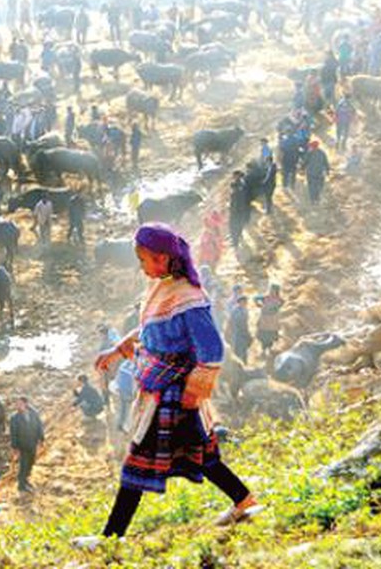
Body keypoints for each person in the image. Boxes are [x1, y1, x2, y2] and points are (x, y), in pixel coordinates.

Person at [87, 224, 260, 545]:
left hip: (172, 395)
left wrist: (194, 393)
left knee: (135, 466)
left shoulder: (188, 298)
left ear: (163, 258)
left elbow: (212, 350)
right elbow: (149, 329)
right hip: (166, 391)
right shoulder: (164, 286)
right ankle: (244, 501)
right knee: (204, 457)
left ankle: (110, 538)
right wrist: (117, 350)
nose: (140, 267)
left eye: (143, 260)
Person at [9, 396, 44, 493]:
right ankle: (21, 485)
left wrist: (41, 439)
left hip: (32, 442)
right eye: (16, 404)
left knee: (31, 462)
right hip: (22, 445)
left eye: (20, 404)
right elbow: (13, 433)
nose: (18, 406)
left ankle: (26, 479)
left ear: (26, 404)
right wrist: (14, 447)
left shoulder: (33, 414)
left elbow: (39, 426)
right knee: (23, 464)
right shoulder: (14, 418)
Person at [254, 284, 284, 356]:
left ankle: (269, 349)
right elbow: (255, 298)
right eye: (271, 290)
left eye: (273, 290)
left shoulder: (278, 299)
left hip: (272, 322)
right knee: (263, 336)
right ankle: (263, 350)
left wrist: (276, 308)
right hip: (264, 321)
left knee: (271, 336)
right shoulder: (265, 297)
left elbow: (281, 304)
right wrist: (258, 305)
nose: (271, 292)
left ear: (276, 291)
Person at [304, 140, 330, 205]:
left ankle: (313, 199)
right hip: (320, 172)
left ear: (312, 147)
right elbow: (326, 162)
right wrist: (327, 170)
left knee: (311, 186)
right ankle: (317, 199)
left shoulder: (309, 153)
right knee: (319, 186)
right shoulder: (322, 153)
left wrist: (302, 168)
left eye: (310, 146)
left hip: (310, 173)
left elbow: (305, 162)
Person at [228, 295, 253, 363]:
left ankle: (244, 363)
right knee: (237, 349)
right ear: (239, 302)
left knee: (244, 349)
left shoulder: (245, 310)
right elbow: (233, 321)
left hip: (244, 331)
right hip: (237, 332)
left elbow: (246, 322)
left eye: (245, 301)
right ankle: (237, 364)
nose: (245, 303)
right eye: (243, 301)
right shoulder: (236, 310)